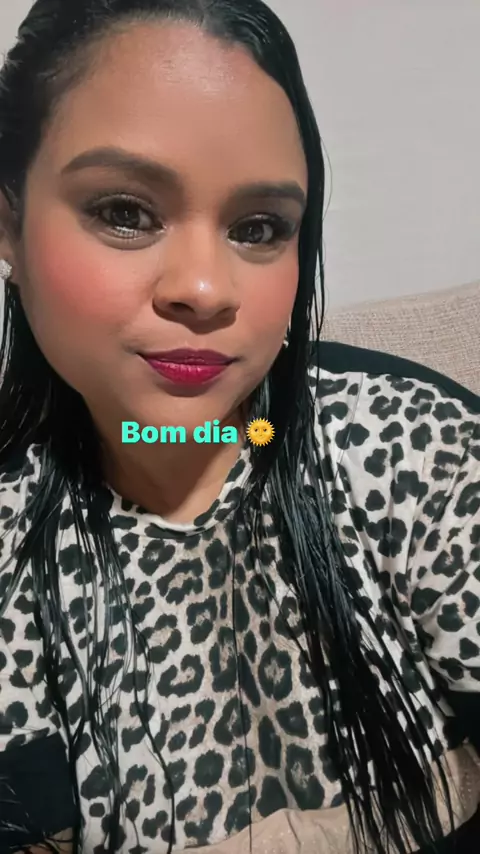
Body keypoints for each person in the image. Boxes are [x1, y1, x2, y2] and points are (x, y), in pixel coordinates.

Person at [0, 0, 479, 852]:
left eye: (259, 228)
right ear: (9, 224)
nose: (206, 289)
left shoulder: (415, 445)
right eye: (124, 211)